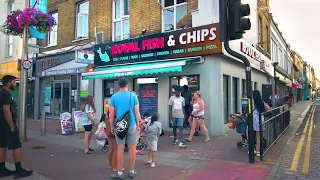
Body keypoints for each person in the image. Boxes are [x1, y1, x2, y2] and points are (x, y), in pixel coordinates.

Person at [0, 75, 33, 178]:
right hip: (7, 124)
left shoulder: (1, 93)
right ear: (9, 83)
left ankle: (2, 170)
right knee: (16, 145)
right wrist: (12, 126)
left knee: (2, 145)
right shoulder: (6, 95)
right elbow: (6, 111)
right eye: (14, 82)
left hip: (1, 124)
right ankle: (19, 170)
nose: (15, 84)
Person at [109, 78, 141, 179]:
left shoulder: (114, 97)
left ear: (118, 85)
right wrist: (138, 125)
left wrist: (111, 126)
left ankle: (119, 173)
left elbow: (111, 114)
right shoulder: (133, 96)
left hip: (120, 126)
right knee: (132, 149)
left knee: (120, 149)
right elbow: (137, 112)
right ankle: (131, 171)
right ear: (127, 85)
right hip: (131, 125)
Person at [252, 90, 271, 156]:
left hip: (252, 120)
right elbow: (269, 109)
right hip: (259, 120)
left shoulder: (251, 101)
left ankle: (251, 150)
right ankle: (257, 151)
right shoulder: (261, 102)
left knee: (251, 136)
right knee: (259, 137)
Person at [105, 100, 118, 172]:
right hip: (114, 131)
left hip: (108, 131)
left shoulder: (107, 111)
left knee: (110, 148)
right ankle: (115, 166)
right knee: (116, 149)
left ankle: (110, 164)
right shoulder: (115, 111)